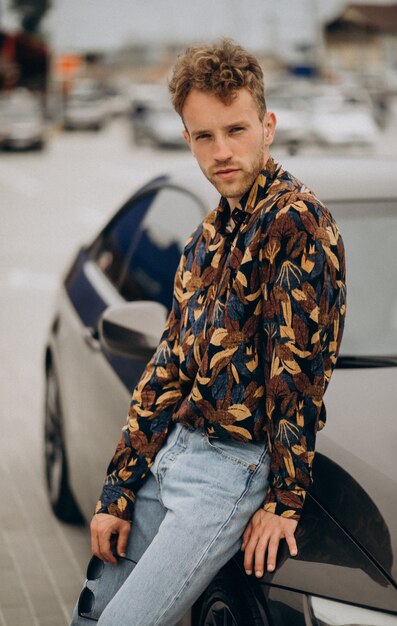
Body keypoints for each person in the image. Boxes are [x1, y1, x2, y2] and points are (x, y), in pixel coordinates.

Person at [71, 38, 346, 626]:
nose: (222, 151)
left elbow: (297, 375)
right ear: (187, 138)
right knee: (91, 618)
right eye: (203, 136)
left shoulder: (295, 222)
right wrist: (118, 491)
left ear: (267, 126)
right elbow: (168, 365)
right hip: (170, 457)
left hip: (229, 469)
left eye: (236, 130)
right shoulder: (206, 239)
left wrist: (285, 501)